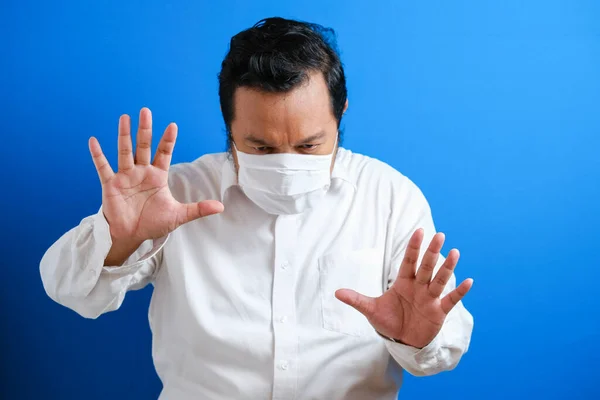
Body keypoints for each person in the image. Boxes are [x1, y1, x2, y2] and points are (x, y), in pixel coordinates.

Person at [40, 17, 474, 400]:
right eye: (260, 146)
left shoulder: (390, 196)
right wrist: (119, 239)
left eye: (309, 145)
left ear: (340, 113)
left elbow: (442, 348)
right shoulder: (173, 195)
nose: (286, 164)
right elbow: (70, 291)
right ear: (229, 126)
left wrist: (419, 338)